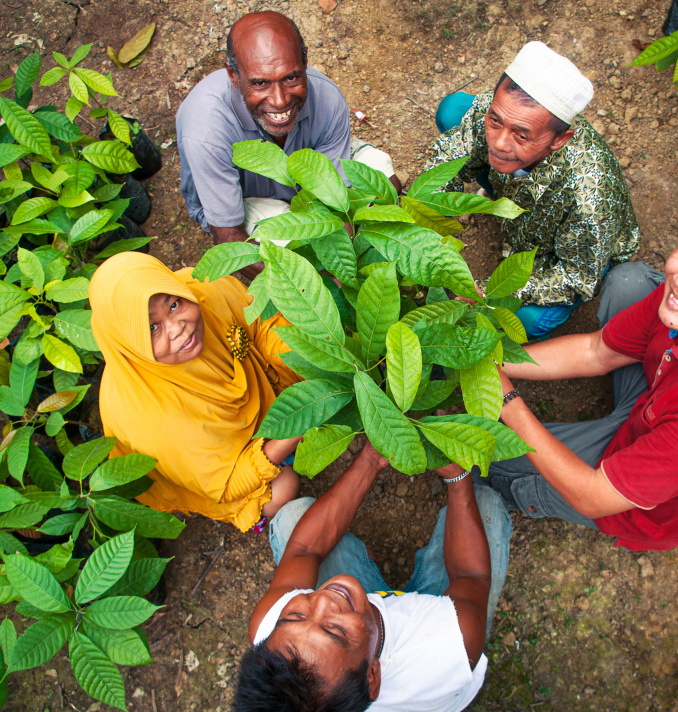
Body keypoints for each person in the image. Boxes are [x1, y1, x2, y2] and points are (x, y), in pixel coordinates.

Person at [486, 200, 678, 551]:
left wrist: (506, 399)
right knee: (629, 282)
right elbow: (596, 352)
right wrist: (491, 362)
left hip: (637, 488)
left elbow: (593, 496)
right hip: (657, 400)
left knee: (491, 456)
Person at [233, 442, 511, 711]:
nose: (322, 600)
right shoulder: (447, 646)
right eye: (335, 630)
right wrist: (458, 478)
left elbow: (304, 549)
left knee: (293, 519)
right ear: (372, 676)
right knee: (485, 509)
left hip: (361, 614)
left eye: (294, 616)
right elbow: (470, 574)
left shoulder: (270, 630)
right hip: (437, 628)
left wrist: (371, 459)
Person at [425, 41, 640, 339]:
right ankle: (503, 189)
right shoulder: (501, 112)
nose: (499, 142)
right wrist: (425, 222)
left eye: (521, 135)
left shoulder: (589, 200)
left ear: (560, 139)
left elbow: (575, 277)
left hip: (565, 249)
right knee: (453, 111)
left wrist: (492, 289)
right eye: (494, 121)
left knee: (529, 320)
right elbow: (447, 160)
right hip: (514, 187)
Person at [88, 252, 303, 533]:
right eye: (152, 328)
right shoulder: (151, 422)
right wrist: (301, 421)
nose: (178, 329)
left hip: (256, 408)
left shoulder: (203, 289)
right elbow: (228, 483)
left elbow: (260, 323)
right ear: (129, 342)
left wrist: (296, 354)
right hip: (212, 467)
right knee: (284, 489)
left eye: (174, 304)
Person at [176, 11, 400, 279]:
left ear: (305, 63)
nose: (280, 101)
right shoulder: (207, 128)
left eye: (290, 78)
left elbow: (333, 198)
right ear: (233, 76)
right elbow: (229, 237)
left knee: (385, 182)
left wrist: (342, 262)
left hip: (305, 185)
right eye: (260, 83)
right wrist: (311, 287)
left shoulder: (327, 98)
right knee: (289, 250)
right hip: (245, 199)